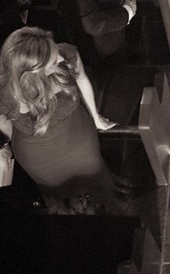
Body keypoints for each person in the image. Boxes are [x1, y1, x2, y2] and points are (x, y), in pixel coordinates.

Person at [0, 27, 122, 214]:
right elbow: (4, 130)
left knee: (97, 177)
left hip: (80, 139)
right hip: (38, 158)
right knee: (59, 197)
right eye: (53, 61)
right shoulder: (5, 91)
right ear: (33, 71)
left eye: (55, 50)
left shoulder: (66, 53)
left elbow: (82, 80)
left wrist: (96, 117)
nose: (60, 59)